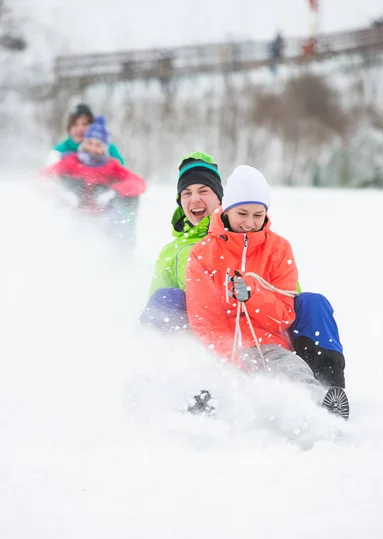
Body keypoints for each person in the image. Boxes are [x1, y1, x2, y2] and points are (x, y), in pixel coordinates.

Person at [140, 152, 346, 391]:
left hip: (264, 336)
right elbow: (192, 314)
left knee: (313, 303)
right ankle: (155, 376)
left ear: (221, 200)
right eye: (187, 193)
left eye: (203, 191)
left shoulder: (268, 244)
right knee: (165, 300)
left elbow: (287, 303)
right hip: (207, 333)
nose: (195, 199)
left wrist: (254, 295)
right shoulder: (184, 252)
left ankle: (326, 390)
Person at [185, 165, 349, 419]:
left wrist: (253, 296)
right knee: (212, 375)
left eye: (258, 215)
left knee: (293, 370)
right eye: (242, 213)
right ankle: (205, 408)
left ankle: (321, 410)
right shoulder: (203, 253)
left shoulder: (278, 249)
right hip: (221, 349)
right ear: (226, 210)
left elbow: (285, 314)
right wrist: (230, 357)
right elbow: (204, 318)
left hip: (267, 346)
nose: (250, 223)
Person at [42, 115, 146, 214]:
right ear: (84, 143)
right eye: (90, 143)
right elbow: (44, 176)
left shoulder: (112, 166)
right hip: (74, 213)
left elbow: (138, 182)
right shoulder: (71, 161)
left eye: (98, 145)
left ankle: (121, 231)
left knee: (130, 196)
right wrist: (62, 192)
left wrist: (114, 192)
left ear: (105, 148)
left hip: (103, 214)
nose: (92, 148)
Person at [46, 103, 125, 166]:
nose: (80, 129)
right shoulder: (59, 151)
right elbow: (50, 177)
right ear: (69, 128)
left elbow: (121, 172)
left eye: (85, 124)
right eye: (74, 124)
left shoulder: (107, 148)